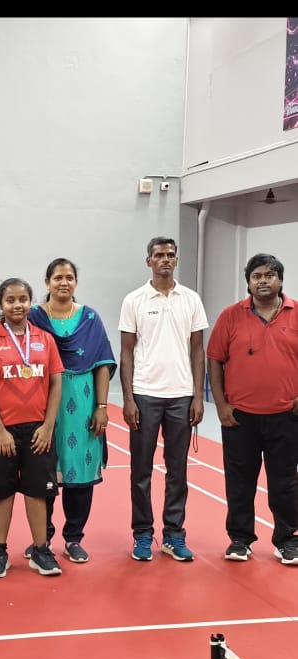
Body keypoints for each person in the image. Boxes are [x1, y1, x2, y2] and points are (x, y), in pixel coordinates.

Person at [119, 235, 208, 562]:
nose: (166, 259)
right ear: (149, 261)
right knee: (140, 471)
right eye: (159, 255)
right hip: (145, 395)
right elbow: (126, 352)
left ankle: (174, 534)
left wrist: (198, 395)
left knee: (177, 470)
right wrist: (128, 398)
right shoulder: (135, 300)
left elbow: (197, 350)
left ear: (176, 259)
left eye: (171, 254)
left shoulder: (191, 299)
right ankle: (143, 533)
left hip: (181, 397)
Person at [207, 252, 298, 564]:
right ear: (248, 282)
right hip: (240, 418)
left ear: (280, 280)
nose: (263, 281)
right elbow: (215, 360)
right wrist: (220, 404)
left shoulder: (296, 313)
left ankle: (287, 539)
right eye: (257, 276)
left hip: (287, 416)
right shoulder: (231, 316)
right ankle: (240, 539)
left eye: (269, 275)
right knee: (240, 481)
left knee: (285, 482)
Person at [0, 277, 64, 578]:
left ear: (30, 302)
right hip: (1, 432)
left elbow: (55, 383)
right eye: (10, 300)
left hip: (38, 429)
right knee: (3, 493)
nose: (17, 305)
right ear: (1, 304)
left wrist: (48, 425)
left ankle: (41, 549)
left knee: (38, 492)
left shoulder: (44, 339)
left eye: (23, 299)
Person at [27, 258, 117, 563]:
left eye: (69, 277)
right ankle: (44, 536)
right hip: (43, 405)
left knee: (80, 471)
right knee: (45, 472)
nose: (63, 283)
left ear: (75, 282)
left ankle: (74, 538)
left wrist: (102, 407)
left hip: (84, 405)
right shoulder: (34, 317)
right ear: (47, 282)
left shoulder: (90, 318)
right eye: (57, 278)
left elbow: (103, 364)